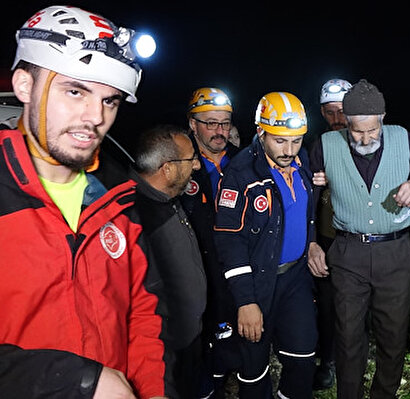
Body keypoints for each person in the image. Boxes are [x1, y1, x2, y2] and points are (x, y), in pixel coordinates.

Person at [0, 5, 170, 398]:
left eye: (110, 101)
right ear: (24, 86)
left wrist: (153, 391)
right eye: (76, 91)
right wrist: (78, 381)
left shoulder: (118, 201)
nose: (95, 117)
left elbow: (142, 314)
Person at [309, 79, 410, 399]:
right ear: (345, 121)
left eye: (372, 130)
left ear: (383, 120)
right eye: (357, 131)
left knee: (393, 335)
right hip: (348, 252)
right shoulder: (325, 145)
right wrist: (311, 243)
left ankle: (385, 393)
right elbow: (306, 199)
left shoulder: (404, 139)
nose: (365, 138)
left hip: (394, 253)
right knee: (349, 335)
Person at [214, 91, 320, 398]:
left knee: (302, 355)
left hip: (296, 278)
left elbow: (305, 213)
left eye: (296, 140)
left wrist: (311, 243)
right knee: (254, 365)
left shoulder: (302, 163)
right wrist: (246, 302)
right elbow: (229, 240)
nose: (289, 150)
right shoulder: (240, 174)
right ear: (261, 132)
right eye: (279, 140)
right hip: (258, 283)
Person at [131, 125, 207, 398]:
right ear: (168, 168)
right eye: (190, 160)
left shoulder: (167, 200)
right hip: (165, 354)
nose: (197, 165)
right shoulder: (136, 217)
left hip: (188, 340)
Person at [180, 86, 242, 397]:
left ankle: (230, 374)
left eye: (224, 123)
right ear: (192, 124)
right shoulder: (179, 163)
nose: (219, 131)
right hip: (196, 268)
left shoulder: (243, 162)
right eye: (210, 123)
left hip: (234, 264)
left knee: (233, 334)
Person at [311, 77, 353, 391]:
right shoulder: (316, 145)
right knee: (326, 303)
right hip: (327, 237)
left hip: (361, 241)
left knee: (359, 304)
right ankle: (327, 361)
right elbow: (307, 203)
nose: (336, 119)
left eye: (342, 111)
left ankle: (355, 358)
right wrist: (312, 242)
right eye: (329, 112)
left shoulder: (370, 141)